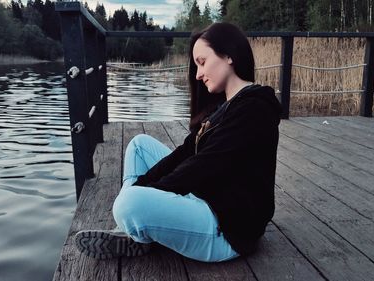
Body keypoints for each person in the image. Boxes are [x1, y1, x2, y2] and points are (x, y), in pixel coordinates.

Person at [74, 22, 281, 262]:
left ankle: (135, 226)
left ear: (228, 55)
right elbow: (186, 152)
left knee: (128, 205)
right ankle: (136, 226)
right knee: (139, 146)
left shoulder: (253, 108)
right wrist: (142, 185)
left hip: (228, 229)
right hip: (210, 197)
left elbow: (202, 166)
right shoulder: (227, 106)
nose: (198, 74)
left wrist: (147, 192)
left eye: (202, 62)